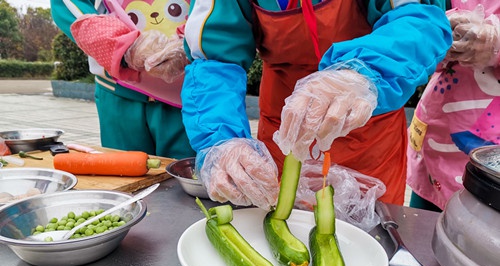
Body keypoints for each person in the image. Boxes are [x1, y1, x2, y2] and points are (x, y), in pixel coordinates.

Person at [181, 0, 452, 210]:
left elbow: (418, 18)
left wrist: (360, 73)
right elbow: (214, 59)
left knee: (370, 242)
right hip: (282, 124)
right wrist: (221, 140)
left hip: (367, 120)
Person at [50, 0, 195, 159]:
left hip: (189, 88)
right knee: (123, 172)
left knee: (189, 174)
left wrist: (192, 41)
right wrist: (120, 44)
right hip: (117, 90)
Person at [407, 0, 500, 212]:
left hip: (489, 156)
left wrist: (496, 43)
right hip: (435, 140)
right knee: (418, 228)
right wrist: (437, 30)